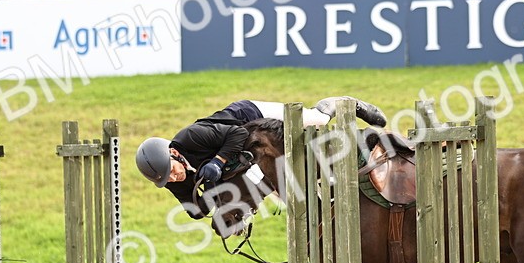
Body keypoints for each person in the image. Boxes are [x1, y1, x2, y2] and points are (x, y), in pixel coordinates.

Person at [136, 97, 387, 219]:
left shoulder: (192, 136)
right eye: (168, 178)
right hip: (246, 154)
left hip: (248, 117)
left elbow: (237, 134)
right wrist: (210, 190)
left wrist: (217, 162)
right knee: (286, 194)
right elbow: (197, 212)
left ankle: (343, 103)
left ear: (174, 153)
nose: (174, 177)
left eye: (172, 170)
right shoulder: (169, 179)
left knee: (316, 120)